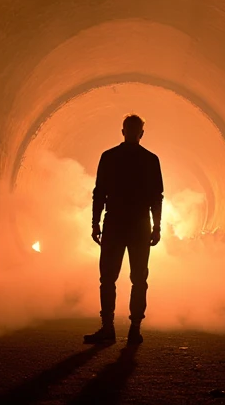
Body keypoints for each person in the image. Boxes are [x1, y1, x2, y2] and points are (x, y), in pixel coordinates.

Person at [84, 114, 164, 345]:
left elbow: (99, 192)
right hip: (139, 223)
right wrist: (157, 226)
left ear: (123, 131)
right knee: (139, 279)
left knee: (108, 278)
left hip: (115, 223)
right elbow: (156, 197)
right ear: (141, 133)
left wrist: (95, 223)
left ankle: (108, 328)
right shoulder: (151, 160)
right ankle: (134, 329)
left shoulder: (109, 157)